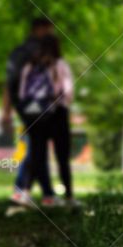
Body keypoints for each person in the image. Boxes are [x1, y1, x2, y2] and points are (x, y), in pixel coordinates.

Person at [11, 35, 76, 207]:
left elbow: (23, 94)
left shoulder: (29, 66)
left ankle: (25, 193)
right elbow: (68, 92)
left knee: (36, 154)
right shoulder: (60, 65)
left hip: (35, 113)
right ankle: (69, 197)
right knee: (62, 156)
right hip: (57, 113)